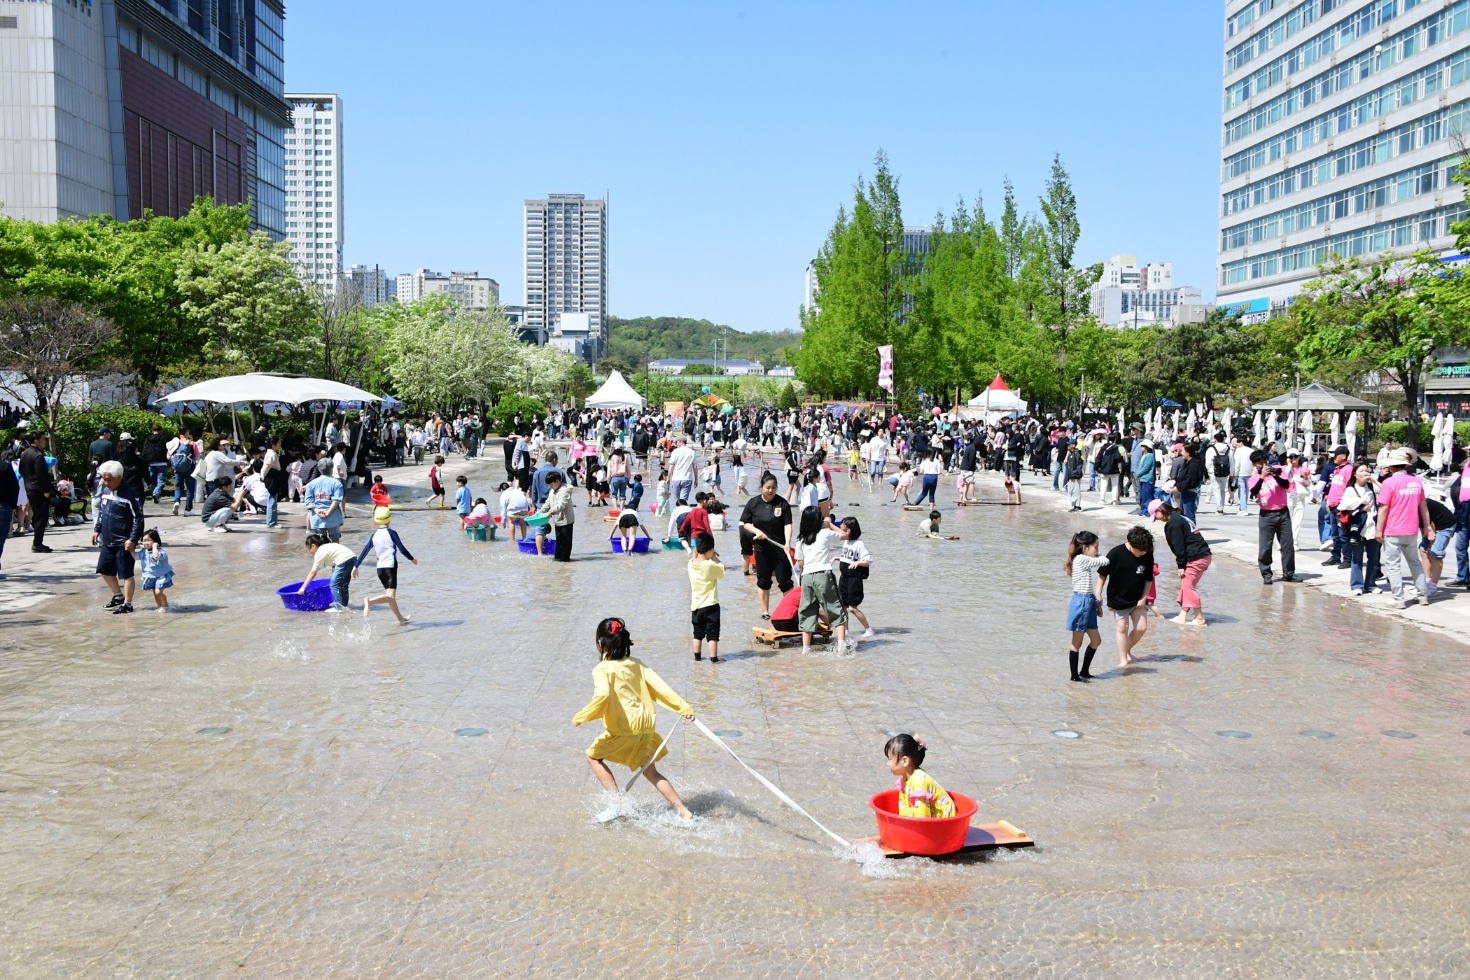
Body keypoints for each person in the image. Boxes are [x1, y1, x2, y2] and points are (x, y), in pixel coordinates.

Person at [572, 617, 696, 820]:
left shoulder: (602, 669)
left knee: (593, 757)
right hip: (646, 727)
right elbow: (660, 687)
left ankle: (617, 802)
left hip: (624, 728)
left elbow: (602, 696)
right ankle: (683, 811)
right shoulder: (637, 665)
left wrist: (582, 717)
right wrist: (683, 708)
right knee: (651, 772)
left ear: (600, 644)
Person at [1377, 448, 1431, 609]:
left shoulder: (1389, 482)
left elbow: (1384, 508)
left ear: (1391, 466)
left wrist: (1379, 529)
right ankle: (1422, 595)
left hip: (1393, 528)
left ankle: (1398, 598)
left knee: (1393, 565)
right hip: (1411, 528)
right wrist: (1427, 526)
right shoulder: (1416, 481)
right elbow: (1423, 506)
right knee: (1415, 562)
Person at [90, 460, 145, 614]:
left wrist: (132, 539)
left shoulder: (130, 495)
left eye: (109, 480)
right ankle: (118, 596)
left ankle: (128, 603)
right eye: (104, 479)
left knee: (126, 573)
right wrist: (97, 530)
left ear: (119, 477)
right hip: (107, 540)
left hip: (123, 541)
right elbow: (101, 513)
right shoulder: (106, 492)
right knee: (104, 569)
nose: (106, 483)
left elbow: (138, 519)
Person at [1096, 526, 1155, 669]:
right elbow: (1102, 575)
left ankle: (1126, 649)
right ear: (1131, 544)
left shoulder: (1147, 553)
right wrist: (1098, 594)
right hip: (1118, 598)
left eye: (1145, 551)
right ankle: (1123, 659)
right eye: (1140, 551)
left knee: (1141, 628)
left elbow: (1148, 579)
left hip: (1138, 597)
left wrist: (1143, 598)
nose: (1143, 554)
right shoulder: (1115, 553)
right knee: (1122, 627)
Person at [795, 504, 849, 654]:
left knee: (807, 611)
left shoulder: (801, 540)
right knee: (835, 608)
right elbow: (845, 535)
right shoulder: (825, 533)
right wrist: (830, 524)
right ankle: (841, 646)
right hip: (823, 574)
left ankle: (805, 648)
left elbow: (800, 563)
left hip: (806, 576)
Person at [740, 473, 795, 619]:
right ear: (761, 487)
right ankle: (765, 612)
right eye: (767, 488)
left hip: (780, 548)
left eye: (774, 488)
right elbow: (745, 523)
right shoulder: (753, 503)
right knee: (763, 581)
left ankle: (788, 612)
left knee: (785, 582)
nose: (770, 491)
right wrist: (758, 531)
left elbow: (787, 524)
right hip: (761, 549)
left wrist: (788, 543)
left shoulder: (782, 503)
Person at [1150, 499, 1212, 626]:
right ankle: (1182, 616)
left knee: (1189, 587)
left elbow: (1179, 546)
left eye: (1155, 515)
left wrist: (1181, 566)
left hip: (1196, 557)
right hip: (1203, 556)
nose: (1156, 519)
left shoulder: (1174, 522)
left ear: (1160, 511)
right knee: (1186, 586)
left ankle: (1199, 618)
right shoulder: (1179, 517)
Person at [357, 506, 417, 625]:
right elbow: (402, 549)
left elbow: (364, 551)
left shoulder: (374, 535)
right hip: (390, 567)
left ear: (376, 519)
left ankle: (400, 619)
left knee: (390, 597)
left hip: (380, 569)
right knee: (390, 597)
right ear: (389, 519)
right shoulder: (392, 533)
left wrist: (356, 566)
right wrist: (412, 559)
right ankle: (369, 601)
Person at [1063, 530, 1106, 682]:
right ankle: (1074, 677)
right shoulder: (1081, 558)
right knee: (1077, 642)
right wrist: (1104, 556)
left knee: (1096, 640)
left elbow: (1087, 587)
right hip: (1081, 602)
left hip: (1087, 601)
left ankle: (1084, 671)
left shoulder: (1081, 558)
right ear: (1085, 547)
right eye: (1096, 546)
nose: (1098, 550)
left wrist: (1096, 603)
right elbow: (1104, 561)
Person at [884, 733, 955, 819]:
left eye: (890, 759)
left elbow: (922, 819)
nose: (887, 764)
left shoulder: (919, 783)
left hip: (945, 825)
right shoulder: (906, 779)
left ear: (905, 761)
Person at [1249, 451, 1295, 585]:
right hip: (1266, 515)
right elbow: (1253, 491)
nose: (1263, 465)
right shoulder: (1253, 478)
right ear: (1254, 464)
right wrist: (1262, 477)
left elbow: (1286, 485)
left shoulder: (1279, 470)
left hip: (1283, 512)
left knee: (1287, 545)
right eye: (1260, 463)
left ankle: (1289, 573)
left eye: (1265, 462)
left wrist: (1274, 475)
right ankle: (1266, 574)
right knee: (1265, 547)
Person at [1338, 463, 1381, 597]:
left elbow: (1386, 491)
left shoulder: (1372, 487)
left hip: (1372, 526)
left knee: (1373, 557)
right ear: (1355, 474)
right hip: (1357, 527)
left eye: (1366, 471)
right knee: (1357, 557)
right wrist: (1361, 506)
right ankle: (1357, 585)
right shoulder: (1350, 490)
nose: (1364, 473)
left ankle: (1371, 584)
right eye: (1361, 471)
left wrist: (1374, 480)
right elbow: (1343, 505)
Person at [688, 531, 724, 662]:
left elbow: (693, 557)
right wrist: (714, 557)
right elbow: (722, 569)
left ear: (697, 549)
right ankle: (714, 659)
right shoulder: (710, 565)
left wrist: (696, 553)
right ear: (711, 550)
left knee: (697, 633)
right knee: (712, 635)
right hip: (711, 605)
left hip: (696, 606)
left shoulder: (690, 564)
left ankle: (697, 658)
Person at [837, 516, 874, 639]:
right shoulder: (847, 542)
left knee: (852, 608)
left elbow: (869, 560)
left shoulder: (859, 543)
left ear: (851, 530)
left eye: (845, 530)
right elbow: (848, 557)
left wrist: (858, 563)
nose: (843, 533)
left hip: (854, 580)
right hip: (844, 578)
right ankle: (845, 630)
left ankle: (868, 629)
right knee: (843, 606)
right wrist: (837, 558)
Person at [300, 533, 357, 610]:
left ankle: (339, 608)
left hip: (344, 560)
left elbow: (313, 573)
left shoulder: (319, 552)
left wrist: (303, 588)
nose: (310, 551)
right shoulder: (328, 546)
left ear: (313, 546)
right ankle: (344, 606)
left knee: (334, 585)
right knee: (343, 585)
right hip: (353, 558)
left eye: (309, 548)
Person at [18, 431, 54, 553]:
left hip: (29, 488)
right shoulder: (38, 455)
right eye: (43, 439)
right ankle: (37, 543)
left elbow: (21, 470)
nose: (44, 441)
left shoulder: (24, 454)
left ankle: (38, 542)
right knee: (41, 517)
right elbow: (42, 476)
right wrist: (47, 490)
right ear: (36, 441)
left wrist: (29, 481)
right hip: (38, 490)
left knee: (37, 515)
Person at [303, 461, 346, 542]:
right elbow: (336, 500)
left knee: (320, 542)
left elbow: (308, 501)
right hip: (333, 517)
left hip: (317, 518)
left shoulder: (311, 484)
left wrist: (316, 510)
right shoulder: (337, 483)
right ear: (332, 469)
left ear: (319, 469)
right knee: (335, 541)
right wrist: (328, 512)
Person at [541, 470, 576, 561]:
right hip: (557, 521)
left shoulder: (565, 490)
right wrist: (539, 513)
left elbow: (561, 504)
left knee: (565, 545)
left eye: (551, 484)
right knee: (559, 544)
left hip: (566, 521)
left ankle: (565, 563)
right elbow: (547, 504)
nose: (550, 486)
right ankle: (558, 563)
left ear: (557, 481)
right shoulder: (552, 491)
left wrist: (550, 512)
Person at [139, 528, 174, 613]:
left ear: (155, 541)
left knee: (158, 592)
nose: (145, 543)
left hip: (161, 576)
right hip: (150, 576)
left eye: (148, 540)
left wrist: (155, 546)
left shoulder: (161, 552)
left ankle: (166, 606)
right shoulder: (143, 552)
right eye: (143, 541)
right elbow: (134, 556)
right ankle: (160, 607)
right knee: (155, 594)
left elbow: (156, 556)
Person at [167, 427, 198, 516]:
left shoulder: (174, 444)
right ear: (187, 432)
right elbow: (197, 457)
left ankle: (176, 502)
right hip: (190, 468)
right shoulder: (192, 443)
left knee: (178, 487)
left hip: (177, 469)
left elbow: (168, 456)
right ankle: (188, 510)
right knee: (190, 488)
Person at [667, 437, 700, 506]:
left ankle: (678, 514)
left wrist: (668, 477)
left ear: (681, 442)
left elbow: (671, 465)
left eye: (676, 442)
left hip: (676, 478)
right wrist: (696, 479)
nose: (676, 444)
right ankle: (683, 514)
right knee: (683, 500)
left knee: (677, 500)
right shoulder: (692, 452)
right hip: (687, 478)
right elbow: (695, 466)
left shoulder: (675, 451)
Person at [142, 424, 170, 504]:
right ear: (160, 430)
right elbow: (167, 450)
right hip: (162, 462)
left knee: (152, 480)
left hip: (151, 462)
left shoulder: (147, 439)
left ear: (152, 431)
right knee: (161, 480)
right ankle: (156, 493)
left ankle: (154, 492)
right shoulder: (163, 439)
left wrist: (144, 460)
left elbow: (144, 451)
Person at [1205, 433, 1231, 514]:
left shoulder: (1211, 449)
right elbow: (1232, 462)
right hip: (1225, 471)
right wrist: (1233, 473)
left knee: (1216, 489)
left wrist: (1209, 470)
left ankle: (1219, 508)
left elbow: (1208, 462)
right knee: (1223, 489)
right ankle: (1222, 506)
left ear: (1215, 439)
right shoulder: (1228, 449)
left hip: (1214, 471)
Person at [1134, 440, 1157, 516]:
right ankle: (1143, 510)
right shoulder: (1145, 455)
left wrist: (1138, 473)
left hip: (1147, 479)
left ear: (1147, 447)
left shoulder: (1150, 456)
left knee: (1147, 497)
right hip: (1143, 479)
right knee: (1143, 496)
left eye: (1143, 446)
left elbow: (1146, 467)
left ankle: (1148, 511)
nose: (1141, 447)